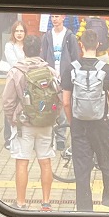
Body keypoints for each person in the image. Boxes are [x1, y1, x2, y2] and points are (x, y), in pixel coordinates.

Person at [61, 29, 109, 212]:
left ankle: (84, 209)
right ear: (97, 45)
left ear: (81, 45)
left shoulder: (71, 68)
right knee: (107, 163)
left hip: (79, 125)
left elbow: (66, 102)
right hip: (100, 124)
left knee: (81, 169)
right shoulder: (106, 69)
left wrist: (73, 121)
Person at [0, 55, 59, 209]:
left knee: (22, 162)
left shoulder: (16, 72)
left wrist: (13, 119)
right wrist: (53, 116)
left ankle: (21, 203)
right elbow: (58, 96)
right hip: (46, 124)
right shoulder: (50, 71)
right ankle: (46, 203)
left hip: (23, 125)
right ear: (40, 50)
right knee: (45, 162)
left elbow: (7, 101)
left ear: (24, 51)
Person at [39, 14, 80, 156]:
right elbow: (43, 58)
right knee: (50, 107)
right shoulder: (46, 36)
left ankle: (61, 137)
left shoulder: (70, 36)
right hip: (50, 78)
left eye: (57, 16)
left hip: (65, 78)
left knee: (63, 107)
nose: (54, 19)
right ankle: (48, 137)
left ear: (63, 17)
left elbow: (75, 58)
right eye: (52, 17)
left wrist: (71, 76)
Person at [0, 20, 29, 149]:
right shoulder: (9, 46)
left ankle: (22, 136)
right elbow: (14, 63)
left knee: (24, 108)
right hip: (13, 81)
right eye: (17, 31)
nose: (19, 33)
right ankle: (8, 138)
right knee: (10, 107)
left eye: (21, 31)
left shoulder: (28, 45)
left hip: (26, 82)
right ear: (13, 32)